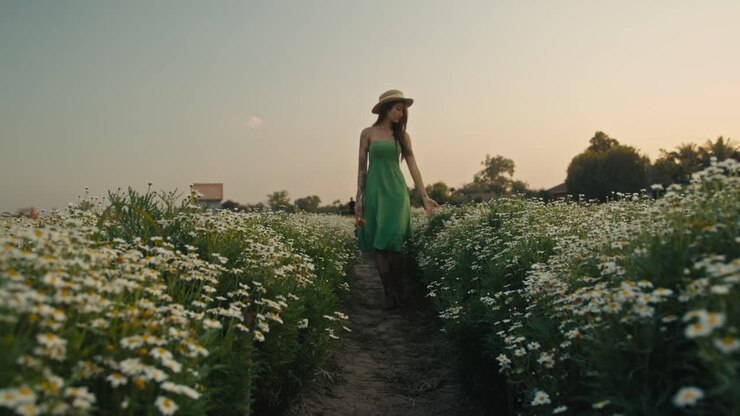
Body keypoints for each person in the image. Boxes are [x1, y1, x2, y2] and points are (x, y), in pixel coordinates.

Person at [355, 89, 439, 311]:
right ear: (386, 109)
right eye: (398, 109)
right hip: (374, 191)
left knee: (395, 245)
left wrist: (425, 196)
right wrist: (359, 198)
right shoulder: (367, 133)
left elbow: (412, 166)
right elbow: (362, 167)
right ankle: (388, 295)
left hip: (396, 193)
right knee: (379, 247)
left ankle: (399, 291)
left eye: (404, 110)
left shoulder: (402, 136)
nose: (402, 114)